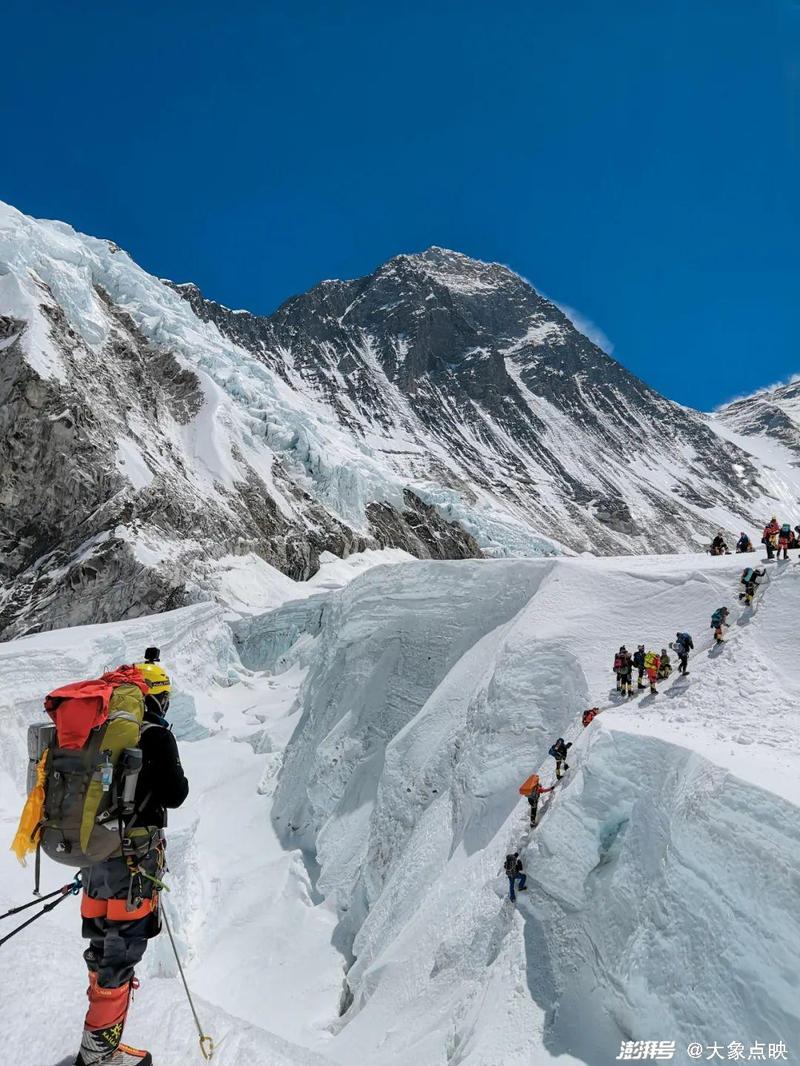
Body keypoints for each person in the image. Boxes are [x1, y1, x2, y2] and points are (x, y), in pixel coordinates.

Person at [76, 650, 189, 1066]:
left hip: (95, 860)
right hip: (133, 865)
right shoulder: (156, 736)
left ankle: (100, 1042)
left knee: (101, 946)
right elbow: (176, 794)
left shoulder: (101, 730)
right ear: (157, 699)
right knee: (121, 951)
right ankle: (99, 1054)